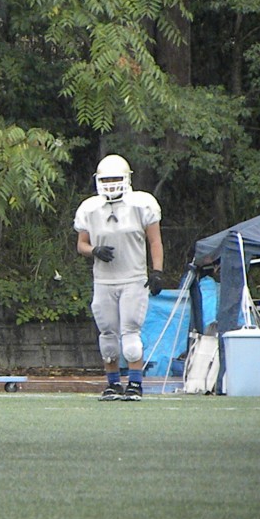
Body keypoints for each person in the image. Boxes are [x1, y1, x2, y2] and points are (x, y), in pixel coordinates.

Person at [74, 154, 164, 401]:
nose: (111, 184)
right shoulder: (90, 208)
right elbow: (81, 244)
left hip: (133, 278)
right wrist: (94, 250)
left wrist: (157, 271)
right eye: (106, 180)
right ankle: (113, 384)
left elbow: (155, 241)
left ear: (126, 179)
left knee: (131, 334)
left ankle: (135, 384)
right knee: (107, 335)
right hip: (103, 280)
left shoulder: (141, 204)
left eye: (115, 179)